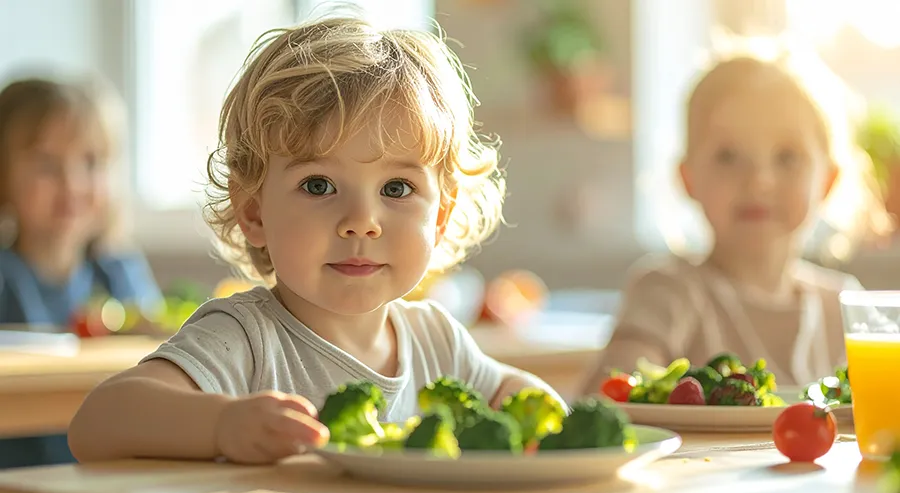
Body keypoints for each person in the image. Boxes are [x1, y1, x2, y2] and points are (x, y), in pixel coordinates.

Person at [68, 15, 564, 464]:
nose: (361, 222)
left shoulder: (436, 340)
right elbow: (98, 423)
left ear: (441, 216)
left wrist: (556, 417)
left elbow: (515, 397)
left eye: (397, 188)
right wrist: (221, 424)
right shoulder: (245, 337)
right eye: (319, 186)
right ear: (254, 211)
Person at [583, 42, 893, 392]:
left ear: (828, 180)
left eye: (787, 157)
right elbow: (608, 403)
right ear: (687, 178)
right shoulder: (669, 293)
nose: (759, 180)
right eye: (728, 156)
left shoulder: (843, 308)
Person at [0, 76, 163, 468]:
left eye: (90, 162)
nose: (72, 184)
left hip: (110, 473)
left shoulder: (119, 271)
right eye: (45, 164)